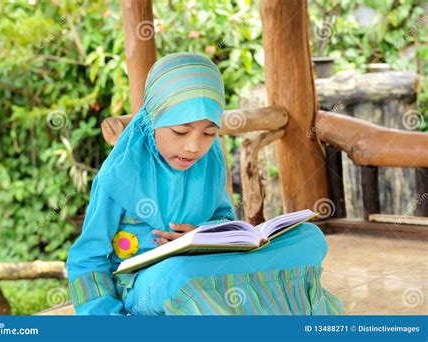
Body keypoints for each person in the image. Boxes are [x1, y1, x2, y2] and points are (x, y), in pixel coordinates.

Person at [66, 52, 344, 315]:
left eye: (209, 133)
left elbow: (222, 219)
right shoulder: (118, 176)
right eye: (180, 131)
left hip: (205, 264)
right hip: (153, 283)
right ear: (152, 120)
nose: (193, 147)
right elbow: (87, 258)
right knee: (178, 274)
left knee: (309, 239)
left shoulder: (208, 160)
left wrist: (199, 235)